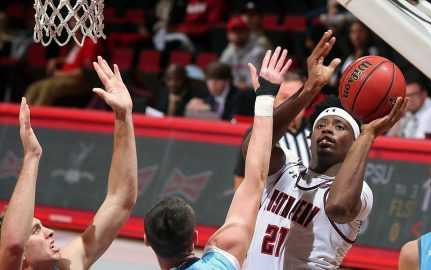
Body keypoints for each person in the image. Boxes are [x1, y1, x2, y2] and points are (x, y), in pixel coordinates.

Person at [241, 30, 409, 269]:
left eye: (339, 126)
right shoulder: (286, 170)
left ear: (354, 143)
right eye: (321, 125)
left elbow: (338, 208)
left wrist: (369, 133)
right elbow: (253, 148)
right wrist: (309, 89)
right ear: (309, 138)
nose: (327, 130)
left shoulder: (361, 193)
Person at [143, 46, 292, 269]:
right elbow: (255, 180)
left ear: (147, 241)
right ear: (194, 237)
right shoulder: (219, 261)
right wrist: (265, 96)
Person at [0, 56, 138, 270]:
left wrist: (123, 115)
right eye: (35, 230)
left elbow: (120, 199)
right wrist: (32, 156)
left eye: (41, 226)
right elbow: (12, 244)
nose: (50, 232)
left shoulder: (67, 265)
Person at [233, 71, 311, 189]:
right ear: (273, 100)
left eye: (297, 97)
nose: (292, 103)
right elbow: (242, 178)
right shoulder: (260, 133)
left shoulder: (317, 130)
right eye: (284, 97)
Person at [387, 68, 431, 139]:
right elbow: (389, 139)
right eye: (407, 96)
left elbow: (415, 145)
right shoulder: (409, 112)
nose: (410, 100)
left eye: (414, 95)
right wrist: (398, 118)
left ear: (424, 94)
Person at [185, 61, 254, 121]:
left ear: (227, 81)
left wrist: (210, 110)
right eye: (209, 79)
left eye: (217, 80)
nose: (212, 84)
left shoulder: (240, 97)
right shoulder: (207, 97)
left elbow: (233, 120)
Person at [220, 15, 266, 90]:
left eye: (240, 30)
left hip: (253, 93)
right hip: (234, 92)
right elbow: (220, 75)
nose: (237, 34)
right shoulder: (228, 52)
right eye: (234, 31)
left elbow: (256, 83)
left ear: (248, 32)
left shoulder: (257, 52)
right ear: (228, 35)